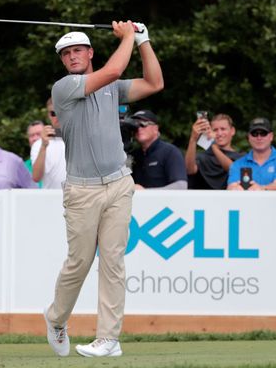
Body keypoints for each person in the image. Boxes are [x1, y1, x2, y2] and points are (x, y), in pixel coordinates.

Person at [45, 21, 163, 358]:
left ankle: (109, 338)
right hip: (82, 191)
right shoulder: (64, 88)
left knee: (113, 261)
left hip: (118, 183)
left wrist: (143, 39)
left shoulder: (113, 87)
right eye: (66, 54)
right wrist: (126, 36)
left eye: (77, 50)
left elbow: (155, 82)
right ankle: (56, 318)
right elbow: (112, 71)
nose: (72, 57)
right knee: (79, 263)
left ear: (89, 52)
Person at [227, 117, 276, 190]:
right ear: (249, 137)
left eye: (263, 133)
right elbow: (231, 186)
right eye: (254, 134)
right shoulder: (237, 164)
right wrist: (235, 188)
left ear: (271, 136)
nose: (259, 137)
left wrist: (261, 188)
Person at [129, 109, 186, 189]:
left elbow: (181, 186)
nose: (139, 129)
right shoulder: (134, 155)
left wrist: (146, 192)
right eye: (135, 126)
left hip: (166, 201)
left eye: (143, 124)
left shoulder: (170, 152)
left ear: (155, 129)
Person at [185, 113, 242, 189]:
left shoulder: (241, 157)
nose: (219, 133)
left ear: (232, 131)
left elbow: (233, 169)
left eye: (223, 129)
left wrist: (213, 145)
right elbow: (189, 170)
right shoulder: (203, 157)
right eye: (215, 130)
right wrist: (193, 138)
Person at [31, 98, 66, 189]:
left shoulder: (82, 139)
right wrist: (43, 146)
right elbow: (36, 178)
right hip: (51, 199)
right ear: (49, 115)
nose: (57, 116)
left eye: (61, 111)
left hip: (79, 199)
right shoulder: (38, 144)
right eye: (53, 113)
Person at [24, 120, 44, 188]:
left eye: (39, 134)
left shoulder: (57, 160)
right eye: (31, 135)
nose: (35, 138)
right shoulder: (23, 166)